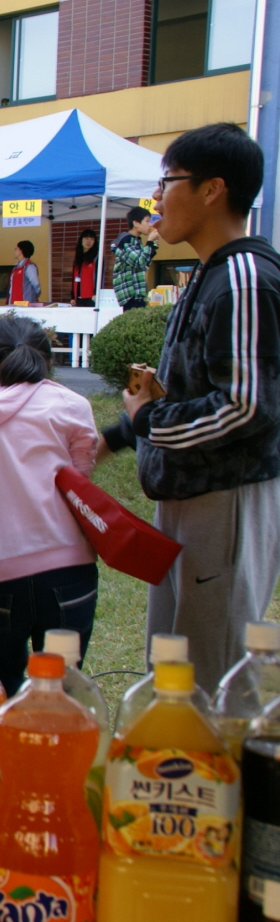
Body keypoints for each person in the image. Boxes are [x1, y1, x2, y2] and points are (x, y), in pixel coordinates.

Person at [101, 123, 280, 693]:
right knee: (175, 672)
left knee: (215, 676)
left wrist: (146, 420)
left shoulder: (245, 279)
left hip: (223, 498)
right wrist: (123, 432)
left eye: (167, 181)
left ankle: (221, 782)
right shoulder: (209, 274)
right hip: (186, 495)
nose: (156, 200)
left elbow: (247, 407)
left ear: (212, 190)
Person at [0, 316, 99, 694]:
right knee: (63, 686)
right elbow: (81, 480)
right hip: (65, 569)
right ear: (44, 360)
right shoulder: (71, 405)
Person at [112, 205, 161, 310]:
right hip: (130, 293)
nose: (150, 225)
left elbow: (144, 265)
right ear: (136, 223)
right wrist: (150, 242)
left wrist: (152, 247)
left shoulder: (136, 240)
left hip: (137, 292)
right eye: (147, 221)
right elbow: (139, 262)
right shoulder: (126, 240)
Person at [71, 229, 98, 306]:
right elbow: (74, 278)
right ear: (81, 240)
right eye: (86, 238)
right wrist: (73, 297)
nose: (88, 241)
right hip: (78, 298)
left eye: (92, 239)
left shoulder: (96, 257)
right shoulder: (78, 258)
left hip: (91, 297)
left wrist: (97, 293)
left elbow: (99, 277)